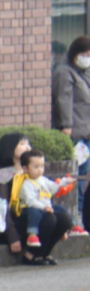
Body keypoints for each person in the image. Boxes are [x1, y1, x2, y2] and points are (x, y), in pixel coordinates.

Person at [51, 35, 90, 234]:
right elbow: (63, 100)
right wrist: (66, 125)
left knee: (84, 177)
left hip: (87, 133)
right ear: (75, 53)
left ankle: (83, 220)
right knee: (76, 178)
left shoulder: (84, 73)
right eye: (84, 54)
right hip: (76, 134)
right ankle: (74, 220)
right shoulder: (65, 72)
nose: (87, 58)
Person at [13, 150, 68, 261]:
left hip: (45, 209)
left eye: (42, 166)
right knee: (50, 219)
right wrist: (44, 207)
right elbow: (30, 201)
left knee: (63, 216)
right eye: (36, 167)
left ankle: (46, 252)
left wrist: (64, 182)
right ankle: (31, 253)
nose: (40, 170)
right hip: (32, 213)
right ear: (25, 168)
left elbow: (53, 187)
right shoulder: (26, 184)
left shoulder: (42, 180)